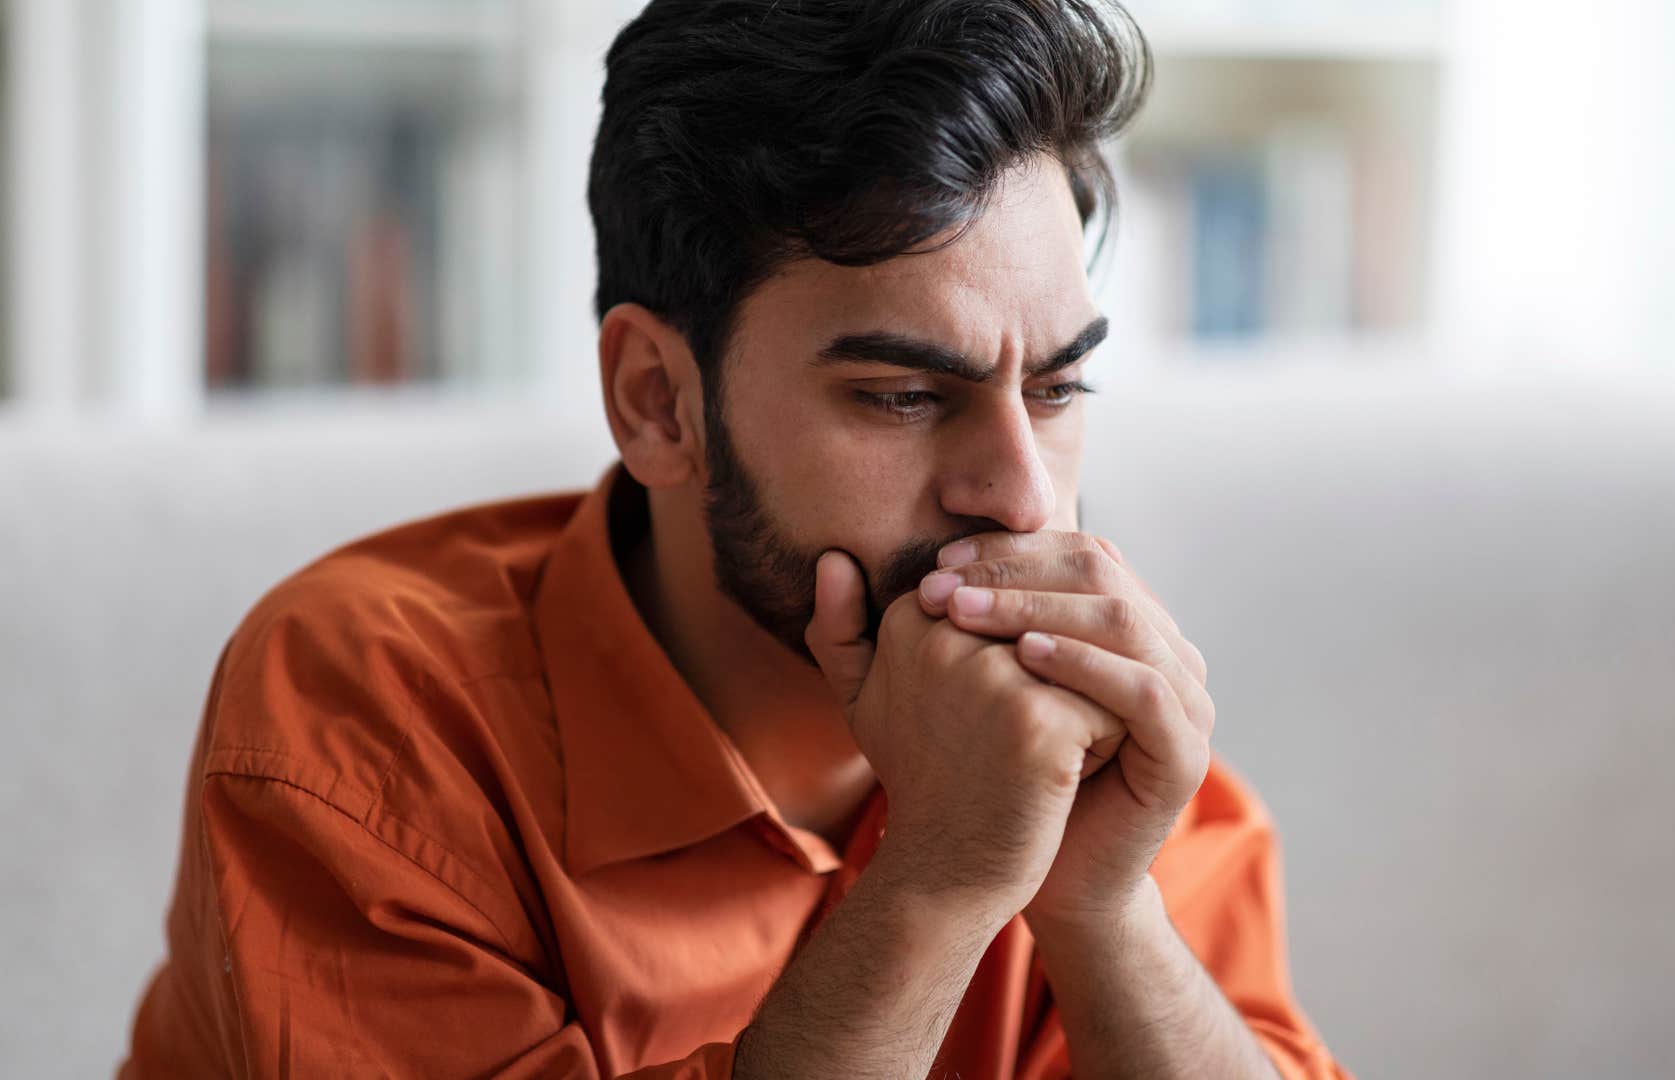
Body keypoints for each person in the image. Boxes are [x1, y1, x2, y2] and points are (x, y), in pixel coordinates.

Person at [122, 2, 1352, 1076]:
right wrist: (936, 884)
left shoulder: (1090, 729)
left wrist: (1103, 911)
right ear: (658, 399)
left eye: (1056, 390)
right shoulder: (361, 723)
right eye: (905, 397)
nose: (1025, 502)